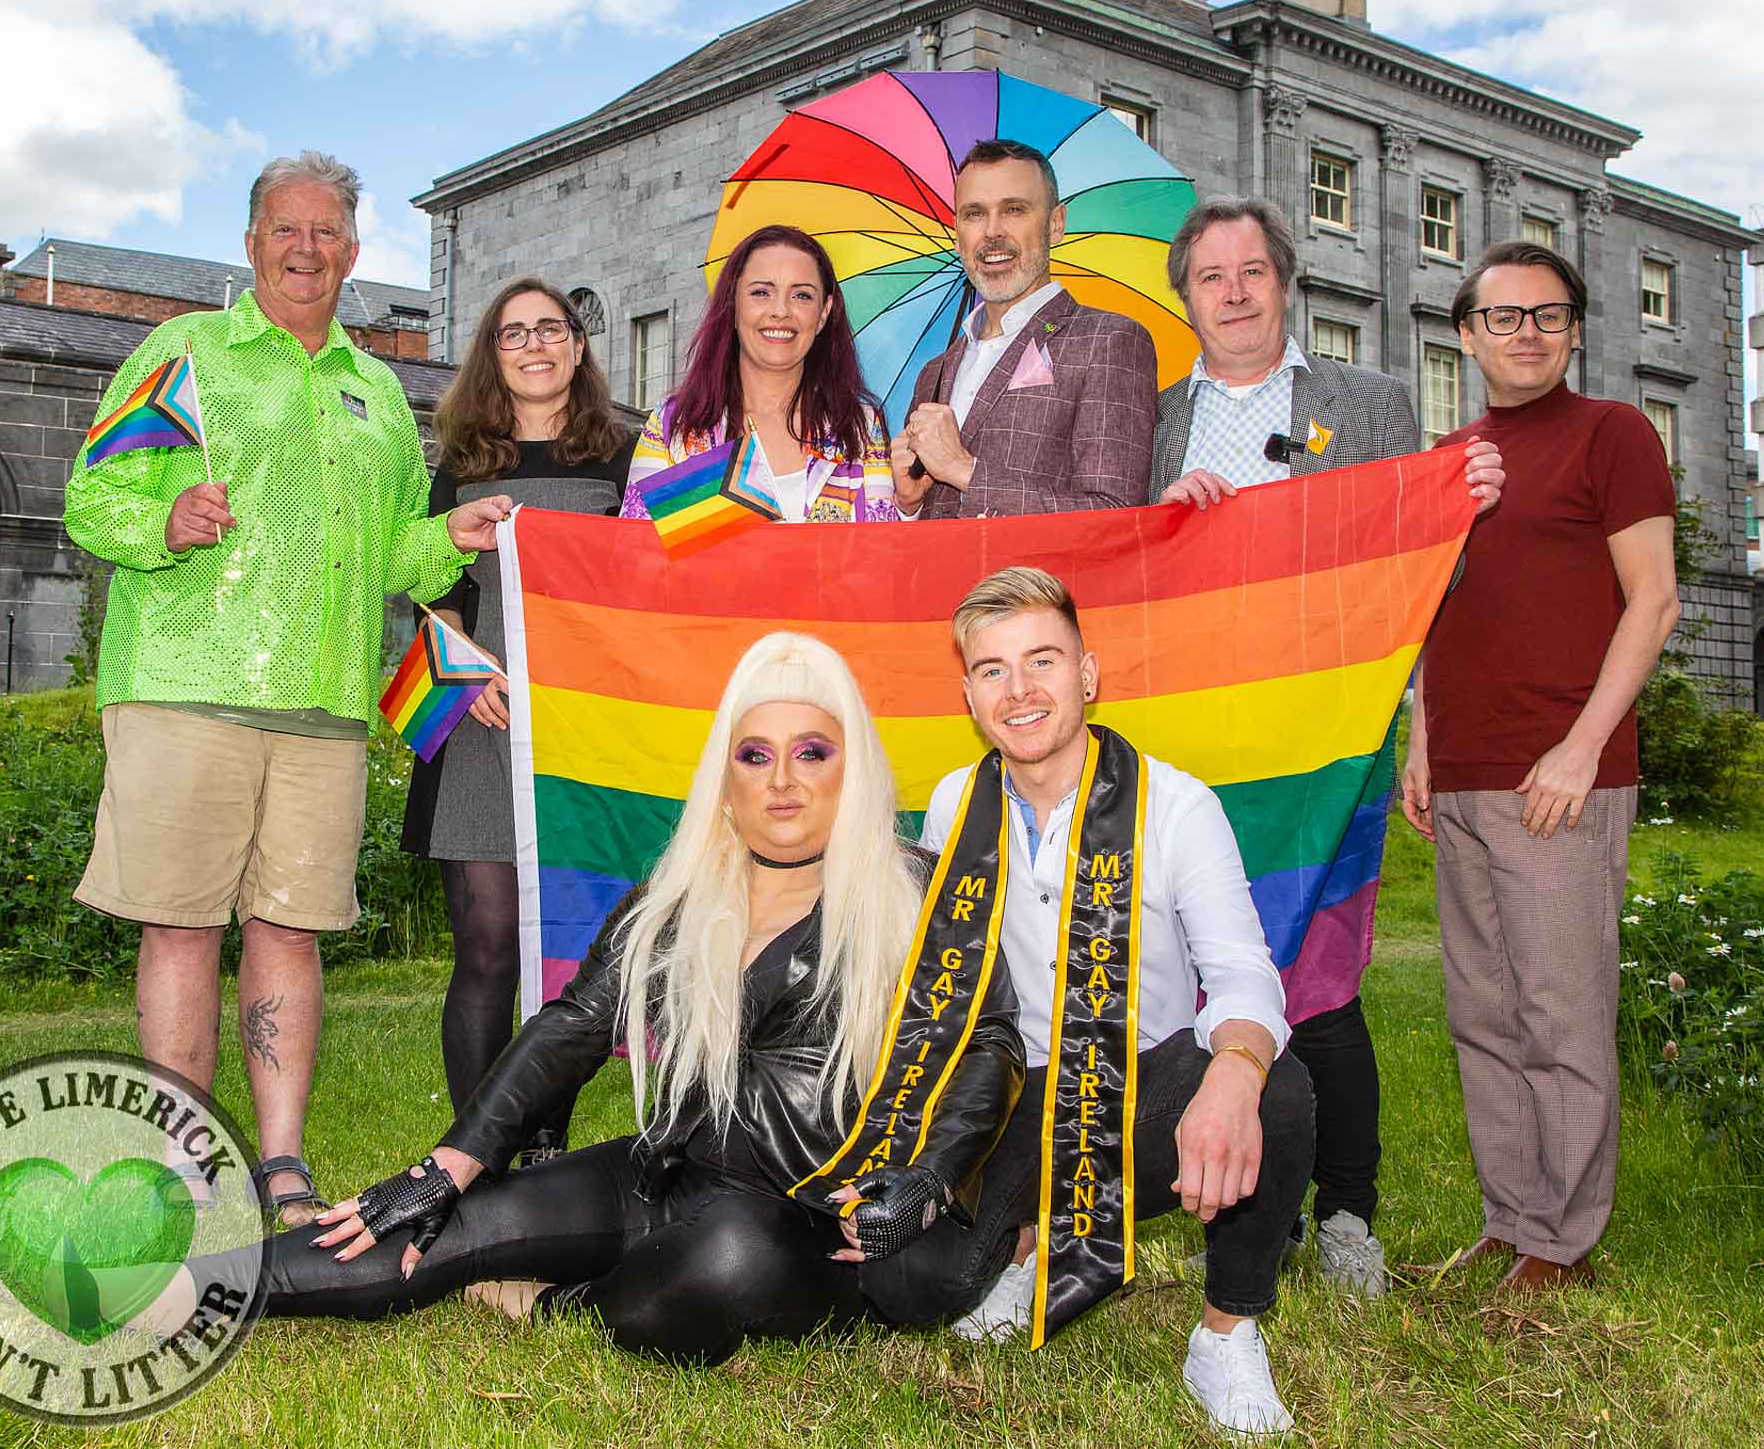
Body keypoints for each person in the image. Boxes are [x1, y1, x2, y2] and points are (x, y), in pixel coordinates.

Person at [155, 634, 1026, 1366]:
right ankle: (181, 1292)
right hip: (665, 1177)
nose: (782, 783)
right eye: (754, 756)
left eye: (813, 753)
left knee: (718, 1266)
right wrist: (447, 1164)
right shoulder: (683, 891)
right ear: (724, 779)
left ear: (853, 767)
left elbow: (989, 1043)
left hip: (808, 1224)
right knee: (447, 1227)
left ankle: (560, 1306)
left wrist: (930, 1178)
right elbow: (575, 1025)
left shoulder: (920, 894)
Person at [64, 151, 515, 1227]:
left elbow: (403, 553)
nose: (306, 247)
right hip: (184, 682)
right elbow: (95, 491)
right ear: (252, 241)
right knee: (179, 925)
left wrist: (446, 533)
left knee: (291, 927)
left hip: (323, 703)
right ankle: (182, 1155)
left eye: (327, 232)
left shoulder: (374, 392)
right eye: (285, 228)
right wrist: (160, 522)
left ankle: (279, 1161)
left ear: (353, 253)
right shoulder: (184, 353)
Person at [1150, 195, 1507, 1296]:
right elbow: (1127, 573)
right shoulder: (1159, 419)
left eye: (1254, 268)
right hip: (1195, 733)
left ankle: (1348, 1210)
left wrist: (1459, 509)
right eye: (1213, 276)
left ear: (1285, 280)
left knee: (1326, 972)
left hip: (1328, 735)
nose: (1237, 291)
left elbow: (1416, 575)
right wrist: (1166, 512)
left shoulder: (1369, 401)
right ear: (1189, 298)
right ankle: (1256, 1189)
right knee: (1213, 964)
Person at [865, 567, 1314, 1438]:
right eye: (993, 670)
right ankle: (1023, 1247)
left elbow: (1247, 976)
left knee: (1276, 1082)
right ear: (967, 693)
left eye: (1043, 661)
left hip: (1144, 1102)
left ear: (1089, 675)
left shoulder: (1176, 806)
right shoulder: (957, 805)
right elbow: (933, 986)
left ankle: (1226, 1332)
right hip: (1007, 1106)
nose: (1021, 690)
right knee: (905, 1288)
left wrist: (1233, 1072)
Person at [1402, 240, 1678, 1293]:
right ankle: (1513, 1218)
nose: (1528, 332)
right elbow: (1435, 616)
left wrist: (1583, 744)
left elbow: (1653, 602)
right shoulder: (1455, 455)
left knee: (1560, 1010)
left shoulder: (1614, 434)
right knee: (1485, 1008)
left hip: (1562, 772)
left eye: (1548, 315)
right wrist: (1424, 743)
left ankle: (1565, 1241)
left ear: (1573, 329)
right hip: (1466, 771)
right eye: (1504, 316)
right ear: (1465, 334)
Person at [401, 278, 636, 1150]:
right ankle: (474, 1159)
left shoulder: (630, 458)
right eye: (513, 334)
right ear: (491, 358)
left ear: (579, 345)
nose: (535, 345)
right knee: (490, 950)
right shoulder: (461, 468)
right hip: (483, 729)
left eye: (552, 329)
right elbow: (433, 592)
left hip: (590, 734)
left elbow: (651, 593)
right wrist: (463, 672)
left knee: (571, 959)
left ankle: (542, 1150)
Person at [889, 138, 1160, 518]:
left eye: (1014, 210)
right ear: (958, 232)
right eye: (974, 214)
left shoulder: (1109, 341)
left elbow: (1113, 516)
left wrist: (965, 471)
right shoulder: (934, 372)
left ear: (1055, 224)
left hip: (1041, 580)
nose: (992, 232)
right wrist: (910, 503)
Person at [621, 226, 897, 523]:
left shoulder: (860, 428)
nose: (780, 311)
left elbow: (883, 553)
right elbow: (637, 554)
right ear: (733, 304)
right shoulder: (677, 425)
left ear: (824, 313)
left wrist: (907, 505)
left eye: (802, 295)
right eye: (761, 293)